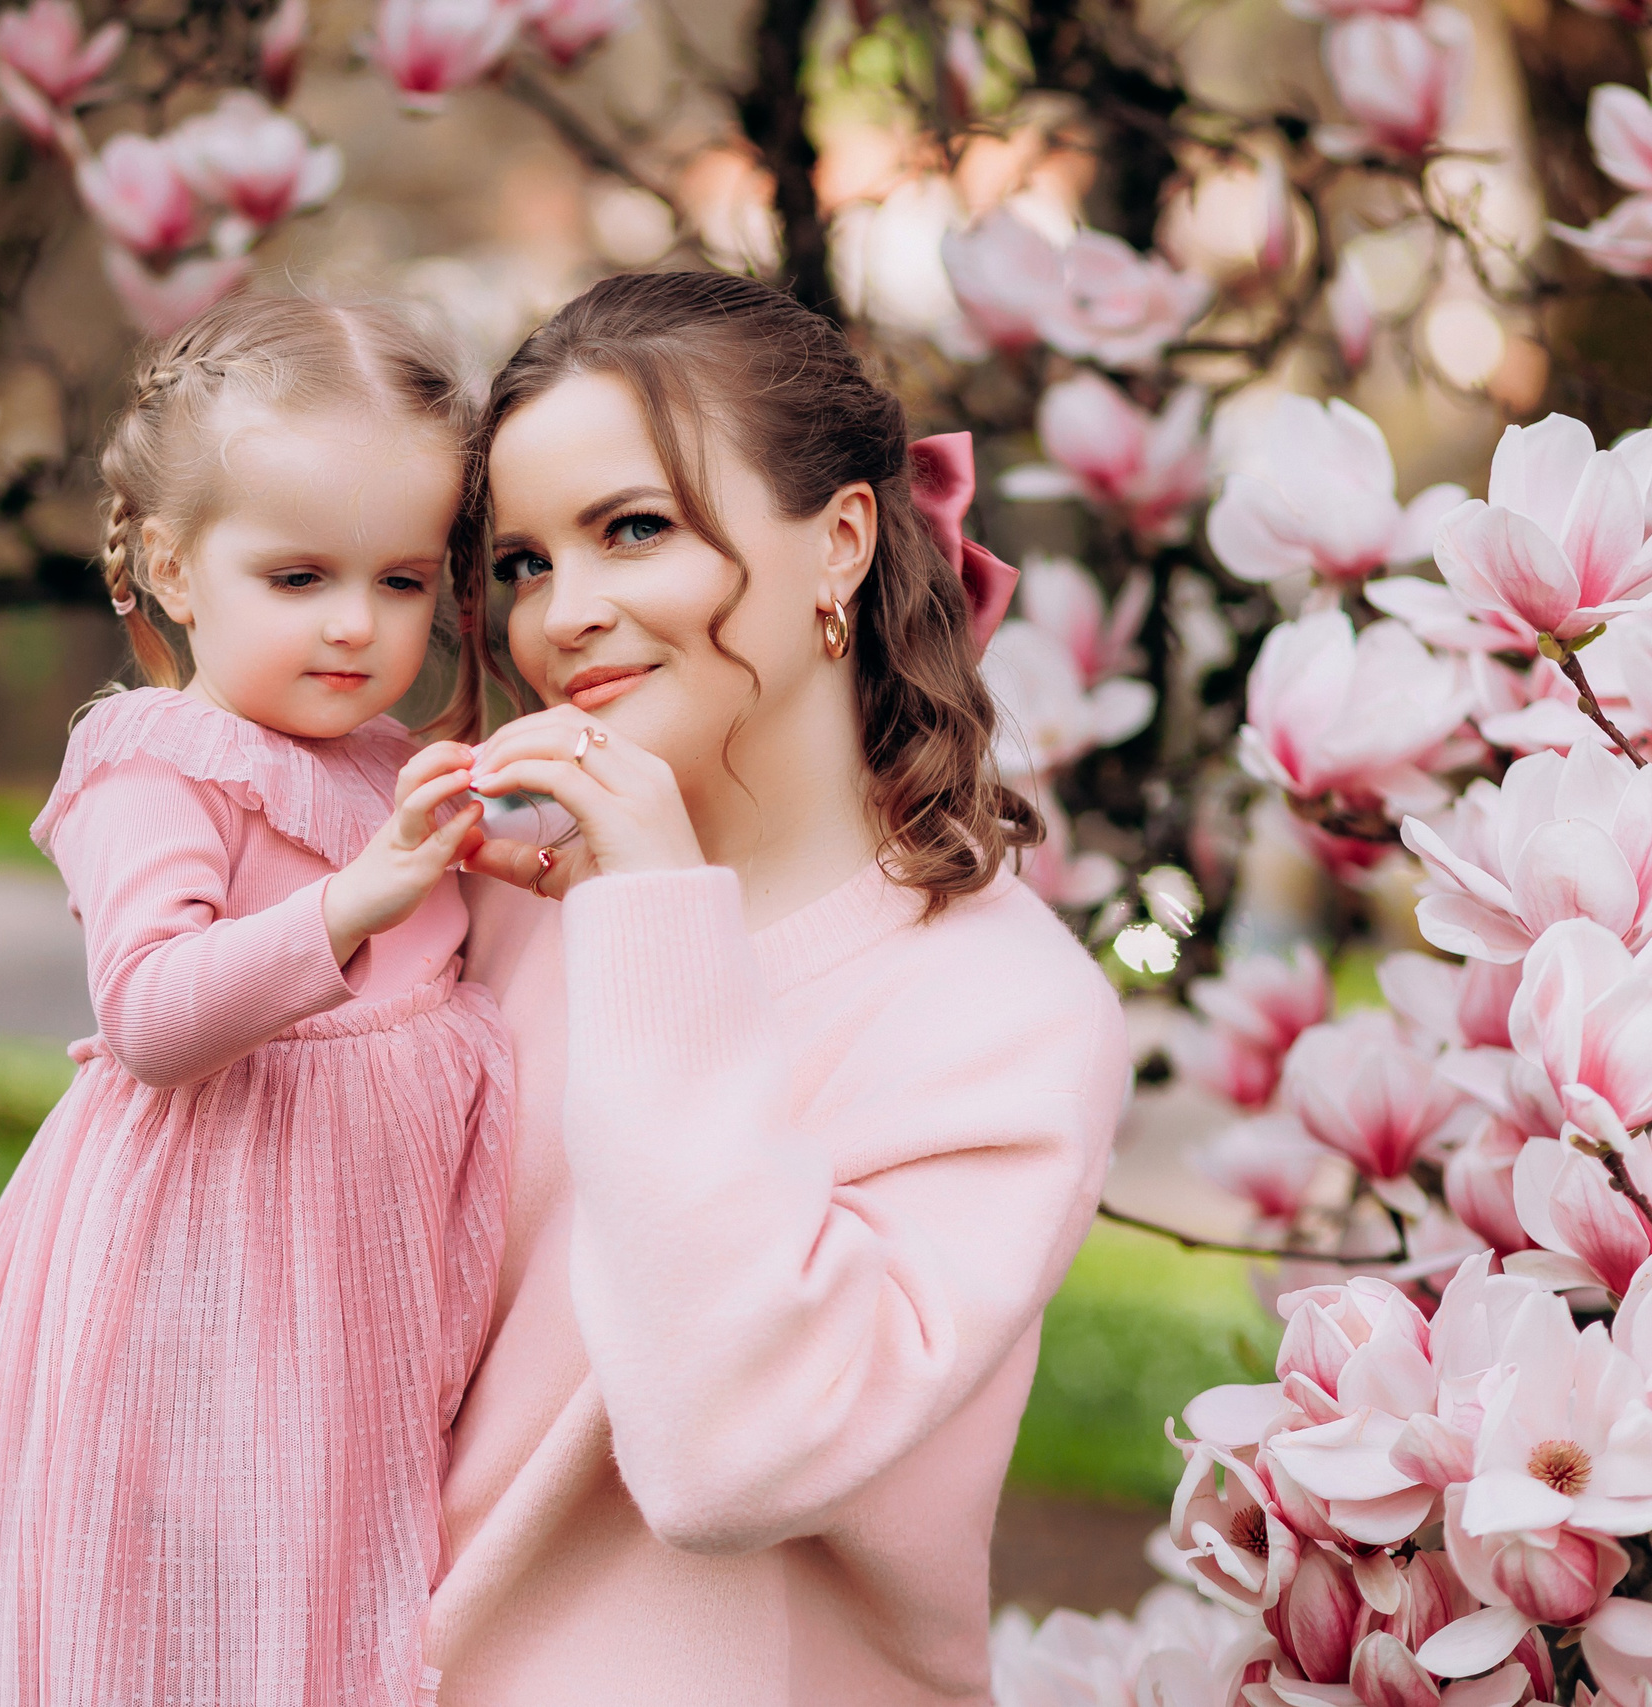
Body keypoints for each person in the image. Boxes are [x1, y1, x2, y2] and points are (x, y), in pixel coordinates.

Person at [412, 271, 1130, 1702]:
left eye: (635, 529)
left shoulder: (1006, 1015)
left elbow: (727, 1458)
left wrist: (653, 923)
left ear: (841, 541)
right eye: (524, 564)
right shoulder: (482, 908)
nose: (564, 615)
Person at [0, 294, 512, 1707]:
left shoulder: (384, 758)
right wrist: (353, 903)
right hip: (205, 1273)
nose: (356, 625)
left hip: (362, 1285)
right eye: (297, 577)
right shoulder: (160, 761)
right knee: (202, 1606)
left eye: (402, 581)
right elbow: (151, 1014)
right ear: (173, 565)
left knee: (340, 1585)